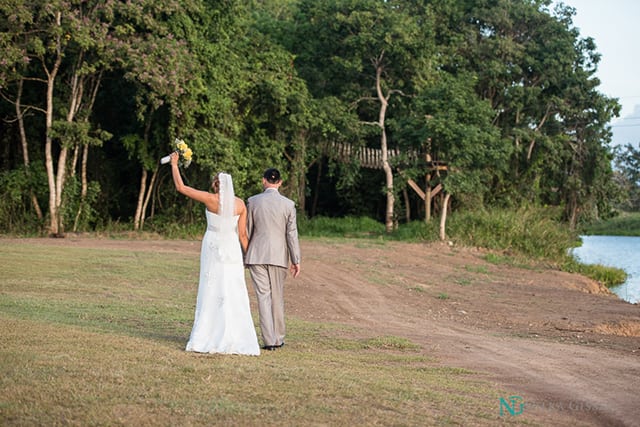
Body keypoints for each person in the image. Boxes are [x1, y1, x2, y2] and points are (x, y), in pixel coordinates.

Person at [169, 152, 260, 356]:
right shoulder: (240, 205)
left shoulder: (210, 199)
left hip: (212, 245)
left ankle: (207, 332)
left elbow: (181, 187)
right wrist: (251, 258)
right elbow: (243, 236)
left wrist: (174, 164)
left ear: (215, 185)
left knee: (211, 288)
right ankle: (236, 334)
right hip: (231, 249)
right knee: (232, 288)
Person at [244, 168, 301, 351]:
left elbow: (247, 231)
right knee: (277, 297)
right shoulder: (288, 204)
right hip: (278, 256)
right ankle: (278, 338)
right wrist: (296, 259)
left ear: (264, 181)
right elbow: (291, 234)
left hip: (256, 254)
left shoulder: (252, 201)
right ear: (280, 182)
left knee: (263, 297)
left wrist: (245, 255)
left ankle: (269, 341)